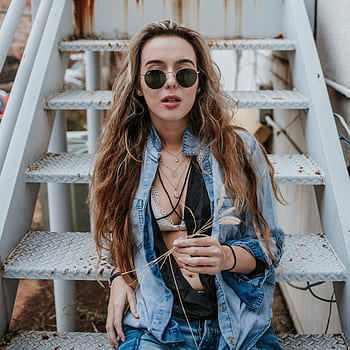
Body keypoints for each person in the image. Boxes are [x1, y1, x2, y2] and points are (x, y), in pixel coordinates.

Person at [90, 19, 284, 350]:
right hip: (157, 328)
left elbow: (270, 245)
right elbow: (115, 236)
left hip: (237, 328)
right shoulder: (121, 157)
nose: (170, 84)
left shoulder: (240, 150)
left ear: (199, 83)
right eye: (154, 74)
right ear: (138, 86)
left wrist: (226, 256)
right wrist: (119, 275)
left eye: (184, 73)